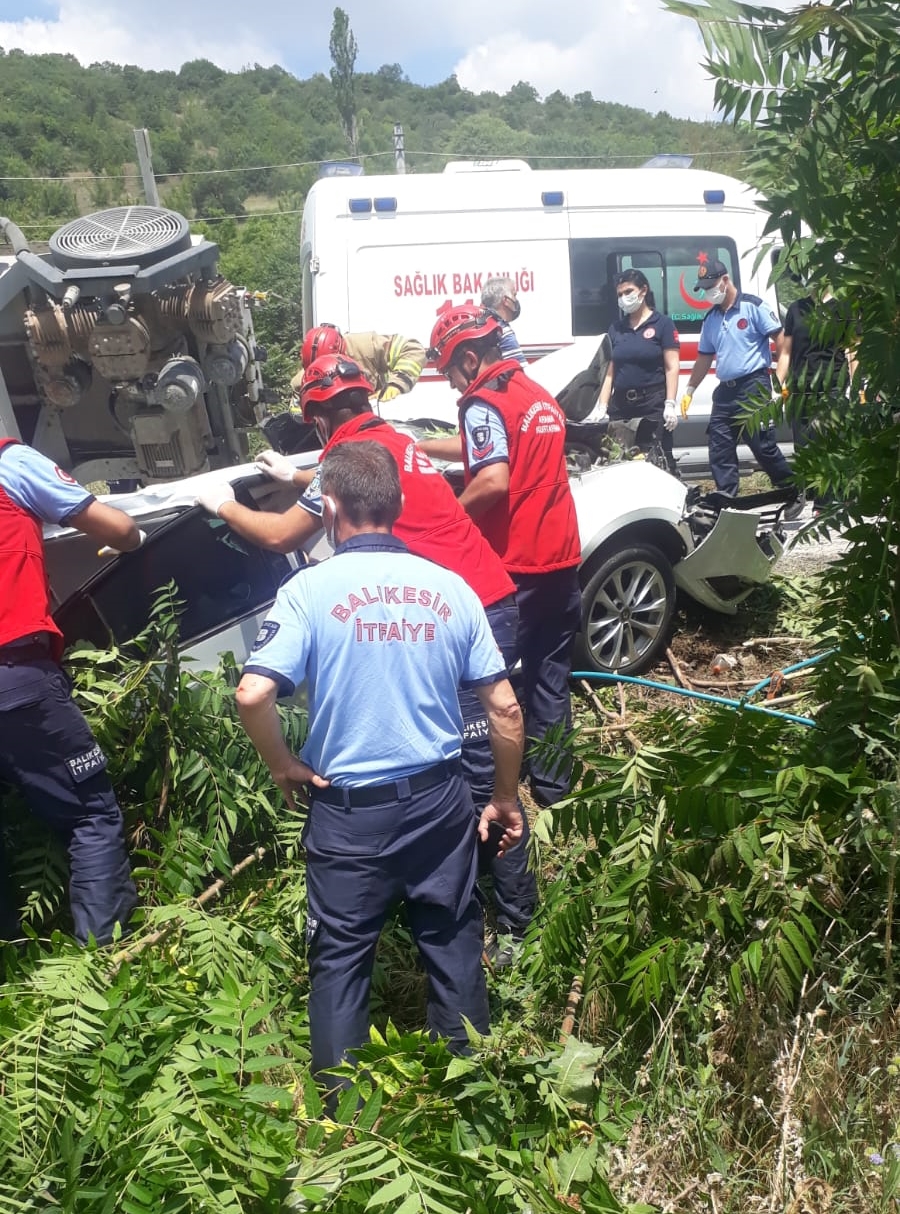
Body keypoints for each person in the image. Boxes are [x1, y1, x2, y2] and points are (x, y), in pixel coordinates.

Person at [197, 356, 538, 958]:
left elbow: (279, 536)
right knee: (461, 758)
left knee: (479, 771)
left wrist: (222, 503)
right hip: (480, 595)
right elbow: (356, 486)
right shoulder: (395, 442)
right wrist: (300, 477)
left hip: (463, 605)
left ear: (319, 420)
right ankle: (451, 888)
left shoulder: (344, 453)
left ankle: (514, 925)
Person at [235, 440, 525, 1083]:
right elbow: (505, 709)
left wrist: (282, 764)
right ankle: (471, 1099)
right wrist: (504, 798)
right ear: (396, 505)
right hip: (440, 803)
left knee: (340, 962)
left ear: (329, 507)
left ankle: (341, 1120)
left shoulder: (307, 590)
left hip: (347, 815)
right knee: (452, 941)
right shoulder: (451, 588)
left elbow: (253, 693)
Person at [419, 305, 582, 808]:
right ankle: (554, 790)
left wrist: (447, 522)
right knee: (550, 676)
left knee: (487, 685)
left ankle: (488, 794)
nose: (451, 384)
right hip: (561, 559)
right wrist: (425, 446)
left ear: (469, 360)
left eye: (449, 371)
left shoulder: (481, 401)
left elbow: (492, 478)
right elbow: (492, 447)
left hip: (515, 566)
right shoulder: (535, 394)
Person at [0, 438, 141, 944]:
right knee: (90, 815)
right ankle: (99, 966)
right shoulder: (11, 465)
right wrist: (133, 539)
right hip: (15, 675)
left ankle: (15, 974)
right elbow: (120, 530)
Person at [680, 258, 798, 507]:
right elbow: (704, 357)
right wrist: (690, 389)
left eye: (710, 286)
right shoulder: (711, 318)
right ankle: (727, 499)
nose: (707, 293)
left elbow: (782, 341)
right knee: (719, 447)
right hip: (725, 391)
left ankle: (791, 490)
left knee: (762, 446)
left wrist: (778, 381)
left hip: (753, 386)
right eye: (704, 288)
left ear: (725, 280)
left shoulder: (752, 307)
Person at [594, 269, 680, 472]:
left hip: (652, 404)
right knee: (618, 460)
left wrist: (670, 404)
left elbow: (672, 367)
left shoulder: (663, 324)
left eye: (628, 292)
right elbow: (609, 371)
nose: (624, 298)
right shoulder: (616, 329)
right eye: (620, 294)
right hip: (621, 406)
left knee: (656, 461)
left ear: (643, 290)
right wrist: (602, 406)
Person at [289, 323, 426, 406]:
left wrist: (396, 385)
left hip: (378, 416)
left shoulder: (366, 347)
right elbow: (297, 413)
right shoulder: (300, 383)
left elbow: (412, 349)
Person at [481, 277, 527, 367]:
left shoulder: (485, 324)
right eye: (514, 295)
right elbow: (521, 369)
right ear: (506, 300)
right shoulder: (502, 331)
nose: (516, 300)